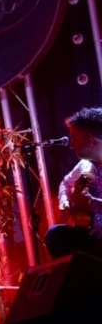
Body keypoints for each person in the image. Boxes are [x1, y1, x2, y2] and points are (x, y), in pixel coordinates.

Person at [44, 107, 102, 259]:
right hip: (94, 235)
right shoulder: (85, 165)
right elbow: (65, 183)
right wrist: (65, 201)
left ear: (90, 139)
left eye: (75, 139)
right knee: (56, 236)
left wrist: (91, 203)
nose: (71, 145)